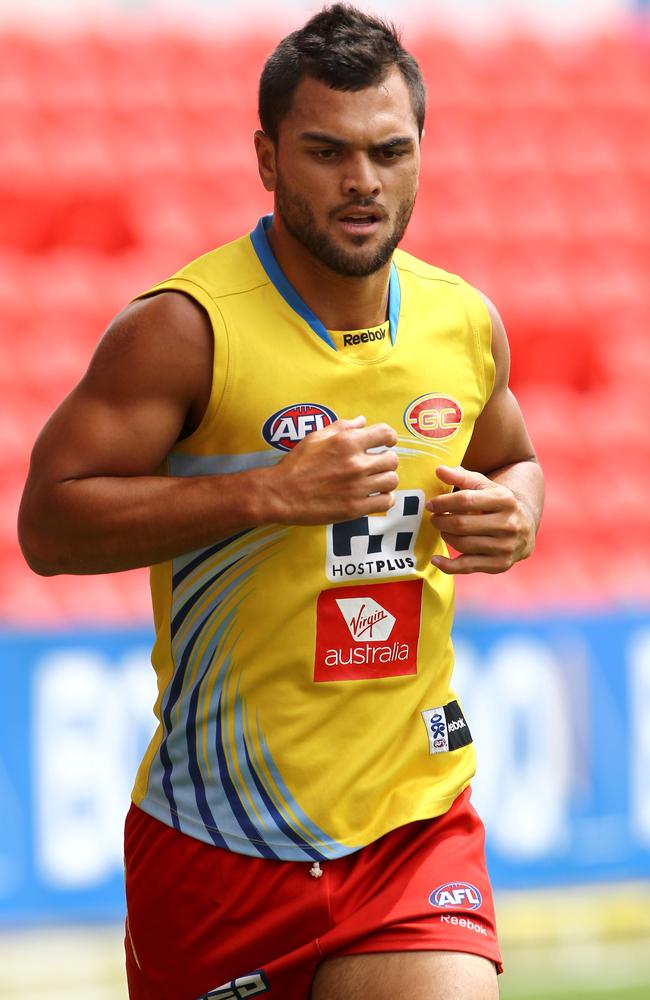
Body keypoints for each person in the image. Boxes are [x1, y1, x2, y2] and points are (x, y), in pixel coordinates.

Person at [18, 5, 544, 999]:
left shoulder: (462, 324)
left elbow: (515, 458)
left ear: (419, 154)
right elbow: (47, 524)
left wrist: (516, 512)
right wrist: (267, 492)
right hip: (219, 839)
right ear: (265, 157)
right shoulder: (183, 330)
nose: (361, 182)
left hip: (410, 821)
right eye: (325, 152)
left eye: (389, 151)